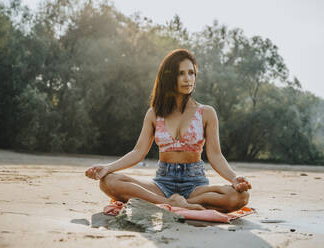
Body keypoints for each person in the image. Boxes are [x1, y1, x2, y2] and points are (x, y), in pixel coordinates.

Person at [85, 49, 251, 212]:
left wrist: (234, 178)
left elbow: (215, 156)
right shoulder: (154, 113)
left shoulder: (206, 113)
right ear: (169, 77)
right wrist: (108, 167)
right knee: (108, 182)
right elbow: (138, 151)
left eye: (191, 73)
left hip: (195, 185)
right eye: (181, 73)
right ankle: (173, 203)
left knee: (241, 197)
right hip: (162, 184)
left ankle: (172, 204)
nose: (188, 79)